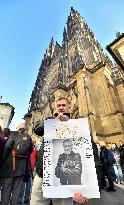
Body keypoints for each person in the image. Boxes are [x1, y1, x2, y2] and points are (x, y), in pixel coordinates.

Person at [30, 97, 88, 205]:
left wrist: (83, 188)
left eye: (63, 105)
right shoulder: (50, 121)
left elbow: (83, 157)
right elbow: (37, 130)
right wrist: (54, 122)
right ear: (56, 108)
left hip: (63, 180)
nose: (61, 108)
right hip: (42, 175)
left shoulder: (77, 126)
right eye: (58, 106)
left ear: (69, 107)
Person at [0, 121, 33, 205]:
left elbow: (7, 147)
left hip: (9, 167)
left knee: (6, 190)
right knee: (16, 192)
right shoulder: (28, 137)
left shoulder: (13, 135)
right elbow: (30, 152)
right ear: (25, 128)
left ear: (18, 128)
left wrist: (4, 159)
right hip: (21, 169)